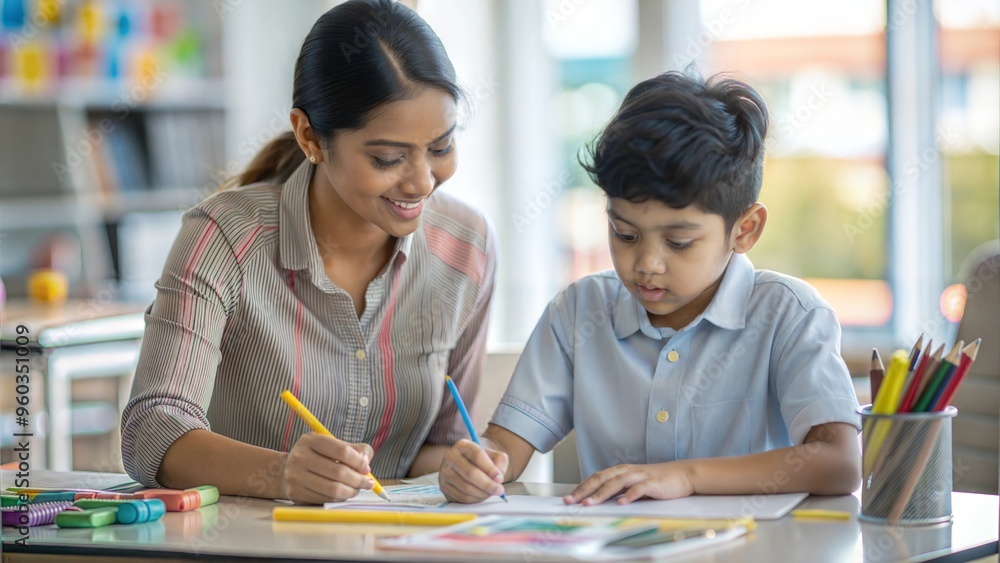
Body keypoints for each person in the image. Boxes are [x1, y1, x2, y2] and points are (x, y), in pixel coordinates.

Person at [121, 0, 496, 505]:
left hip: (398, 544)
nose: (422, 182)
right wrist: (280, 474)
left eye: (441, 147)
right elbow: (151, 429)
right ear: (310, 137)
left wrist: (462, 468)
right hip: (249, 545)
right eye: (387, 158)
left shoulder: (466, 248)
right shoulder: (225, 238)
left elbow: (438, 448)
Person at [439, 71, 861, 505]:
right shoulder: (579, 311)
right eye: (624, 234)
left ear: (745, 230)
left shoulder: (788, 315)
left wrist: (687, 476)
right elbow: (505, 447)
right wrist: (477, 465)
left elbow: (840, 462)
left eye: (678, 242)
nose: (646, 264)